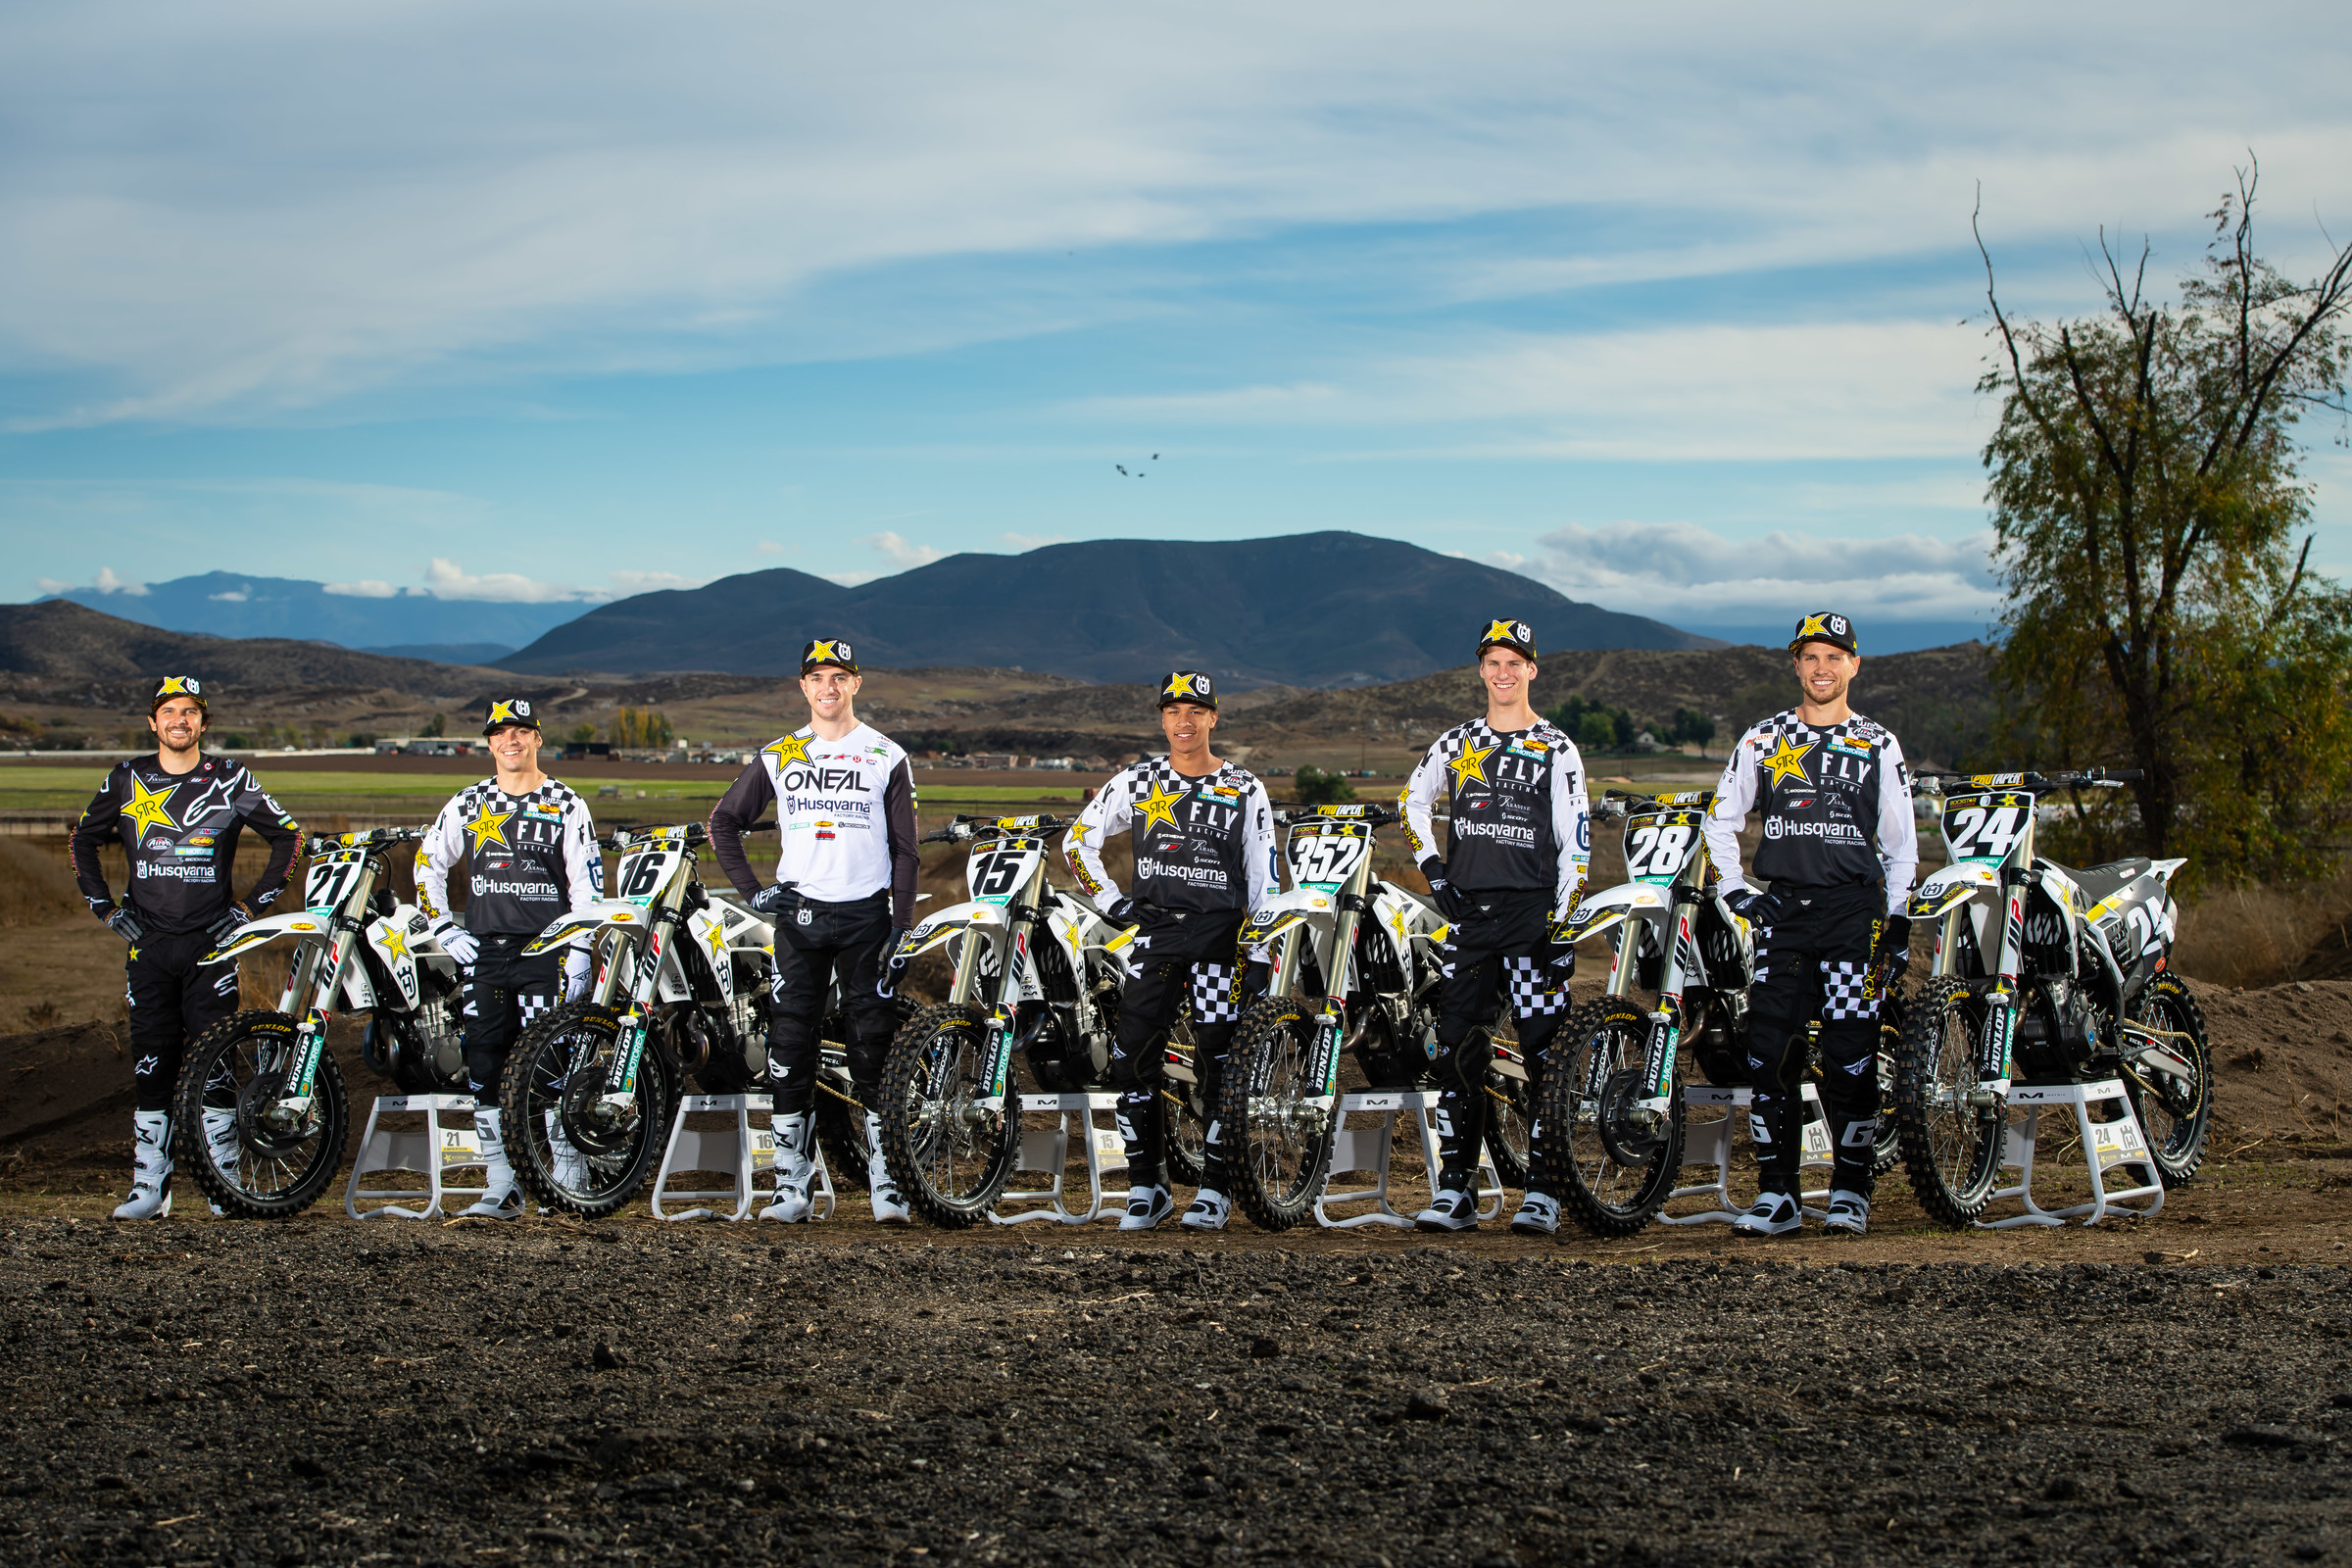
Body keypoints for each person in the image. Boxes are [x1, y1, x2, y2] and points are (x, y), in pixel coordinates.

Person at [1700, 612, 1918, 1238]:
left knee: (1850, 1057)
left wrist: (1897, 922)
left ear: (1854, 664)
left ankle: (1851, 1191)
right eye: (1810, 658)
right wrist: (1737, 891)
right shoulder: (1762, 738)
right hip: (1783, 914)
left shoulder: (1879, 743)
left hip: (1854, 913)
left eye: (1834, 657)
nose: (1822, 669)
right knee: (1770, 1056)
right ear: (1795, 665)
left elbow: (1902, 846)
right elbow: (1721, 820)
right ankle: (1779, 1195)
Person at [70, 676, 301, 1220]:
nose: (180, 720)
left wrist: (250, 909)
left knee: (214, 1065)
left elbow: (288, 837)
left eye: (191, 711)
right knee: (152, 1065)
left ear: (203, 721)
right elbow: (81, 839)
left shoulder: (230, 778)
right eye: (169, 711)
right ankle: (150, 1188)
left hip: (211, 947)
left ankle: (225, 1186)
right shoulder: (126, 779)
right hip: (146, 946)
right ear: (153, 722)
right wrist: (105, 908)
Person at [708, 638, 920, 1224]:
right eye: (817, 678)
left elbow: (906, 849)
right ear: (802, 687)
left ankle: (888, 1187)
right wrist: (754, 892)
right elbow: (724, 821)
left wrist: (902, 925)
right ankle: (790, 1189)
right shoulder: (779, 753)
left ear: (857, 684)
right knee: (789, 1046)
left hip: (867, 918)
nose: (828, 687)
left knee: (871, 1049)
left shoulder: (885, 753)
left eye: (839, 677)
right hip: (798, 918)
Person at [1063, 670, 1278, 1232]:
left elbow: (1264, 880)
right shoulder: (1137, 780)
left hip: (1219, 938)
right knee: (1131, 1059)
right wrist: (1114, 904)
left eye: (1195, 711)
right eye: (1173, 711)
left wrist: (1260, 953)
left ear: (1213, 717)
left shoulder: (1245, 786)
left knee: (1219, 1064)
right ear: (1162, 718)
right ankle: (1146, 1186)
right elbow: (1077, 841)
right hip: (1153, 937)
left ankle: (1216, 1186)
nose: (1184, 721)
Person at [1400, 618, 1590, 1235]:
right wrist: (1434, 871)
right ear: (1481, 670)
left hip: (1531, 913)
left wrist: (1561, 925)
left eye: (1515, 663)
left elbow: (1576, 844)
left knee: (1544, 1054)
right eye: (1492, 663)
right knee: (1457, 1052)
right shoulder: (1456, 741)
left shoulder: (1556, 747)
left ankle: (1546, 1190)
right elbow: (1411, 802)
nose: (1503, 673)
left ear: (1532, 670)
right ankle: (1456, 1191)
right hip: (1470, 916)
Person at [415, 698, 604, 1219]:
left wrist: (582, 950)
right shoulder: (468, 802)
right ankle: (502, 1185)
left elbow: (588, 887)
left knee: (553, 1067)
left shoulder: (566, 803)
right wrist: (441, 926)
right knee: (485, 1067)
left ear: (538, 739)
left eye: (521, 732)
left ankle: (568, 1177)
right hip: (484, 954)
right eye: (501, 733)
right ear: (490, 743)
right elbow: (427, 864)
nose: (511, 741)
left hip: (548, 953)